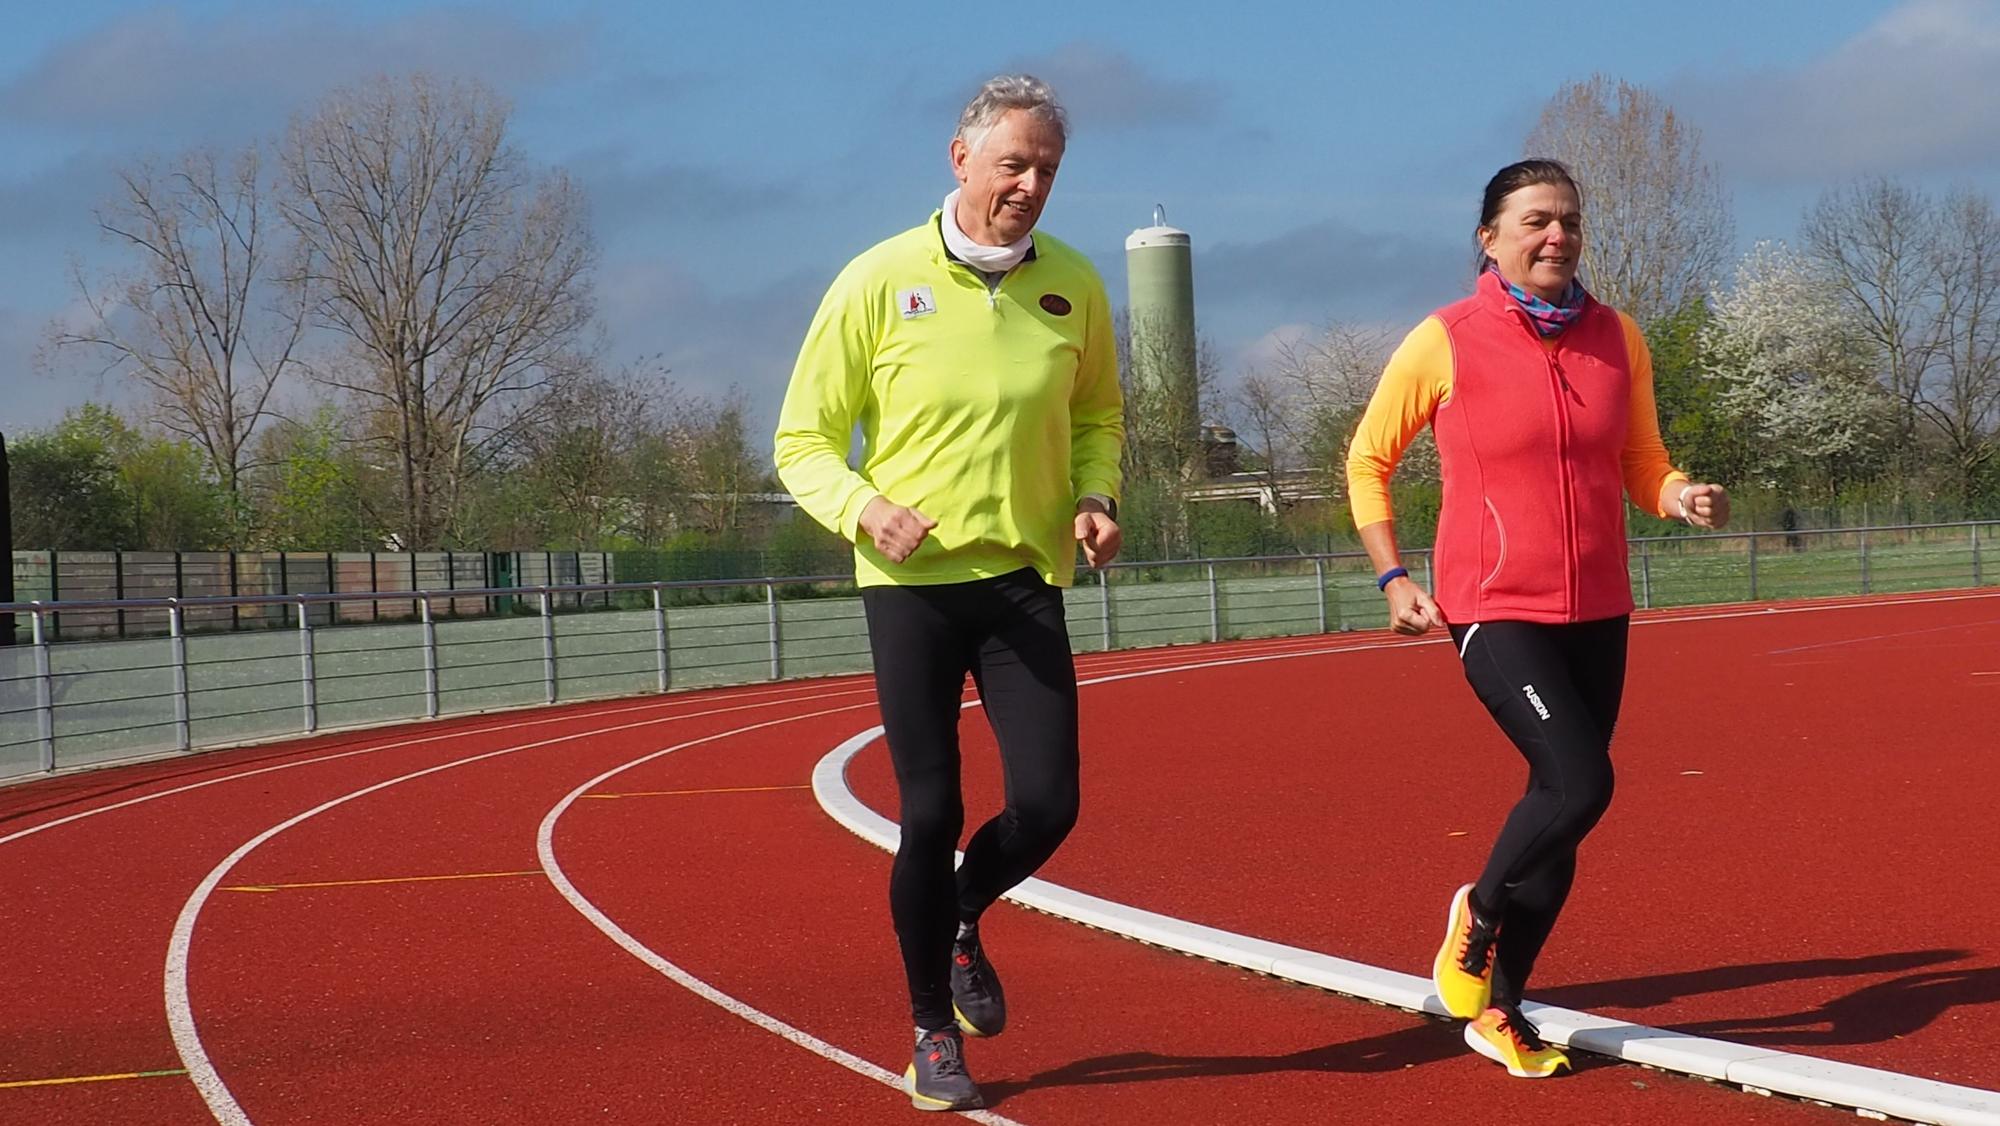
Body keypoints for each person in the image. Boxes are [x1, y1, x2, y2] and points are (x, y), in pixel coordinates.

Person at [773, 73, 1123, 1112]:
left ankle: (963, 912)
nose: (1027, 185)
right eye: (1012, 162)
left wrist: (1096, 490)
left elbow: (1099, 410)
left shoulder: (1073, 284)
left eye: (1046, 170)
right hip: (911, 587)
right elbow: (800, 441)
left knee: (1048, 802)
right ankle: (932, 1027)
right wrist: (863, 509)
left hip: (1021, 579)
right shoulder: (877, 280)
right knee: (929, 811)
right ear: (960, 158)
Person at [1345, 159, 1729, 1079]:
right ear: (1490, 237)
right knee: (1580, 780)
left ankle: (1501, 1009)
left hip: (1598, 607)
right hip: (1492, 606)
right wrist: (1396, 576)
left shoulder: (1617, 337)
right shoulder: (1445, 339)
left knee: (1560, 812)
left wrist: (1677, 496)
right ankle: (1476, 916)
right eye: (1534, 221)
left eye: (1568, 220)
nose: (1556, 235)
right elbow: (1367, 459)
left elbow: (1641, 458)